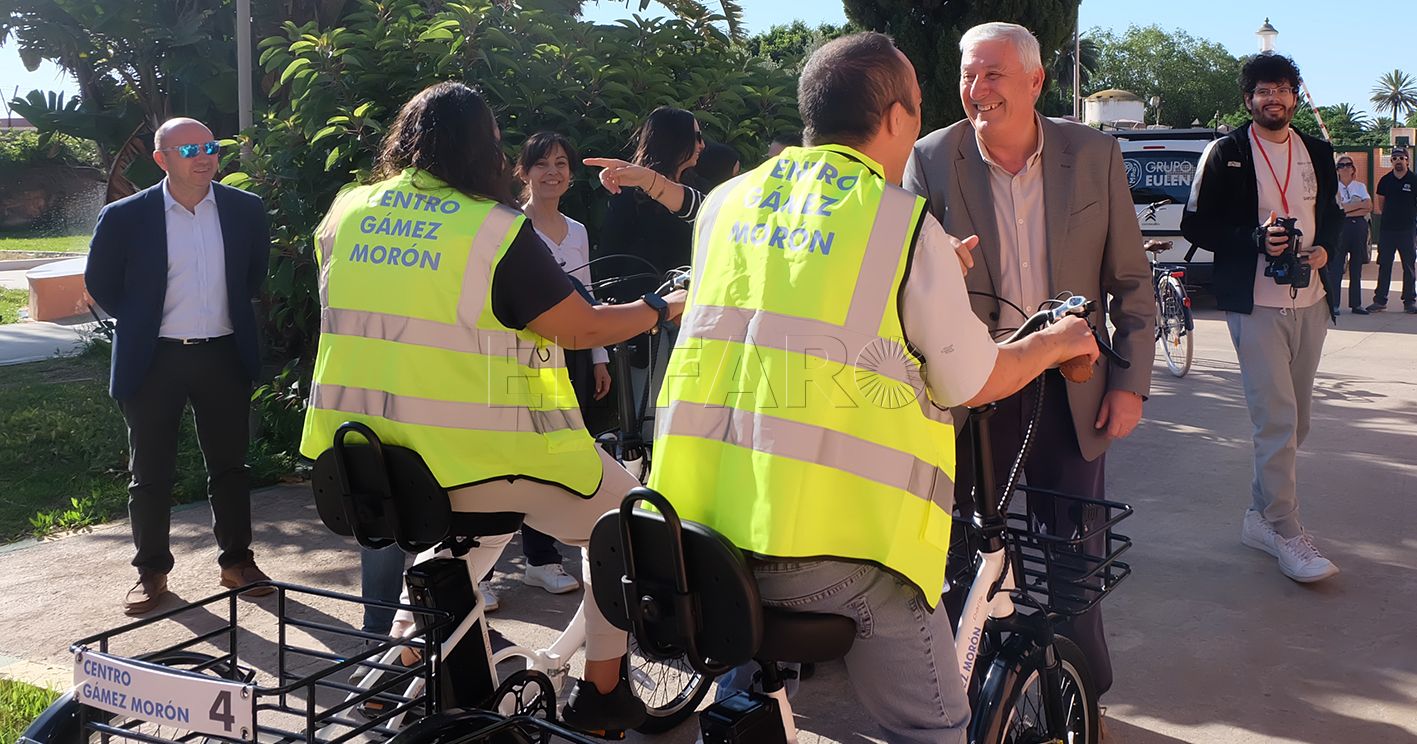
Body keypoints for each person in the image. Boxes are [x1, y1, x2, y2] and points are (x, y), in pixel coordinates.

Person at [648, 32, 1099, 744]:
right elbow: (972, 380)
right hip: (828, 554)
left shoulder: (728, 204)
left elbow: (795, 291)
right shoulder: (898, 222)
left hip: (701, 535)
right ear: (893, 118)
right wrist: (1052, 343)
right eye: (917, 110)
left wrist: (926, 269)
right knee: (936, 731)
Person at [299, 81, 686, 731]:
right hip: (482, 456)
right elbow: (580, 327)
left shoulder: (348, 212)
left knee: (453, 554)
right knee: (630, 527)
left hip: (374, 462)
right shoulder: (492, 229)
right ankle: (600, 695)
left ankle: (393, 669)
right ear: (484, 148)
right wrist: (662, 307)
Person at [903, 22, 1153, 696]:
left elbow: (1131, 280)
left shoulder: (1093, 153)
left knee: (1073, 547)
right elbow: (902, 284)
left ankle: (1077, 685)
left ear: (1035, 82)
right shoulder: (932, 158)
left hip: (1072, 387)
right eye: (967, 74)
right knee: (966, 548)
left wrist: (1128, 382)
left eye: (992, 75)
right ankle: (973, 686)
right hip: (974, 385)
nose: (976, 90)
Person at [85, 117, 274, 615]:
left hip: (223, 354)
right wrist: (144, 319)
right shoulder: (127, 216)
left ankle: (237, 563)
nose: (203, 155)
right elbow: (102, 283)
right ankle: (151, 574)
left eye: (209, 145)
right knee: (150, 473)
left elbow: (252, 275)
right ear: (161, 158)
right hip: (154, 358)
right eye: (189, 148)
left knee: (231, 466)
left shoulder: (245, 210)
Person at [1181, 53, 1342, 582]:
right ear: (1247, 99)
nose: (1273, 99)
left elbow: (1334, 220)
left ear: (1294, 95)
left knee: (1298, 423)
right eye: (1262, 91)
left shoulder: (1317, 151)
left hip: (1311, 298)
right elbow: (1195, 226)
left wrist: (1323, 254)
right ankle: (1287, 532)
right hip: (1255, 306)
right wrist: (1254, 239)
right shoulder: (1225, 152)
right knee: (1274, 420)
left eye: (1281, 89)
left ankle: (1259, 517)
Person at [591, 107, 706, 438]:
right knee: (647, 419)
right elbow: (610, 258)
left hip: (689, 320)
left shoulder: (699, 193)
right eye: (696, 137)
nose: (702, 145)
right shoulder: (626, 194)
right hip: (645, 325)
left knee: (686, 414)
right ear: (676, 140)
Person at [1366, 146, 1417, 314]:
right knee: (1385, 265)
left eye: (1401, 158)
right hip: (1387, 231)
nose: (1398, 161)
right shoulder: (1385, 180)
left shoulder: (1413, 180)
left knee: (1408, 266)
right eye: (1394, 158)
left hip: (1407, 230)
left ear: (1407, 160)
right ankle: (1380, 300)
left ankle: (1409, 301)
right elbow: (1381, 204)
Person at [1332, 156, 1372, 314]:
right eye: (1341, 165)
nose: (1345, 168)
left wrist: (1347, 208)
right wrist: (1356, 207)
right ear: (1337, 170)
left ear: (1353, 168)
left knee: (1356, 267)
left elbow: (1368, 206)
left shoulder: (1360, 186)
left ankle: (1356, 304)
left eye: (1348, 164)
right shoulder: (1334, 187)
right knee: (1337, 267)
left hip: (1358, 228)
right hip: (1341, 229)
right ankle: (1334, 304)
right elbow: (1335, 212)